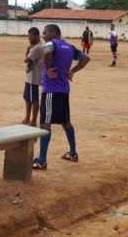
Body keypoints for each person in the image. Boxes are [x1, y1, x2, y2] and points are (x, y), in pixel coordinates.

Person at [32, 24, 90, 171]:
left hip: (51, 90)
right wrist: (72, 71)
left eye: (45, 33)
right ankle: (73, 153)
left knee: (45, 123)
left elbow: (47, 52)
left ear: (52, 33)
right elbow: (85, 58)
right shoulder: (69, 46)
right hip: (64, 90)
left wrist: (49, 66)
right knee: (66, 122)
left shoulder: (51, 43)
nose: (43, 36)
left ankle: (42, 161)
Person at [22, 27, 45, 126]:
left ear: (36, 36)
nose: (29, 38)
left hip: (33, 78)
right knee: (28, 98)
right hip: (30, 76)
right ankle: (27, 118)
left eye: (31, 36)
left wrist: (28, 49)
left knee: (34, 100)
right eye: (29, 36)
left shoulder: (37, 47)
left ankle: (33, 121)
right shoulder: (38, 46)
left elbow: (26, 60)